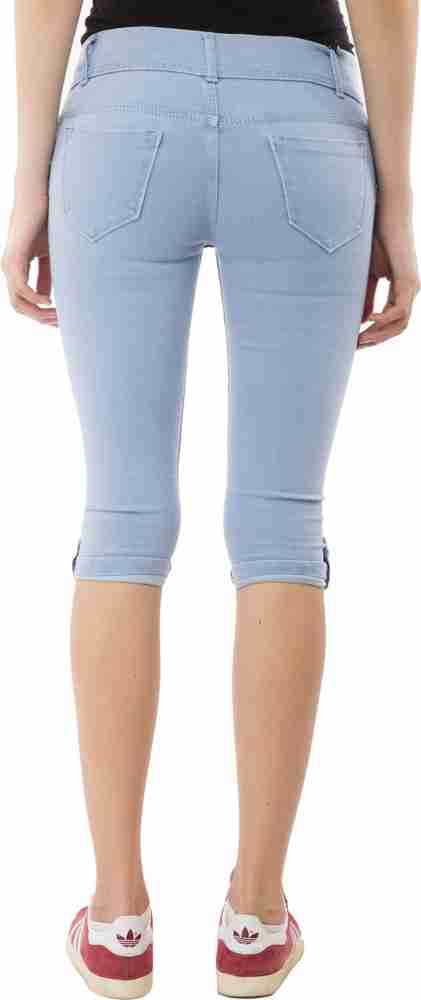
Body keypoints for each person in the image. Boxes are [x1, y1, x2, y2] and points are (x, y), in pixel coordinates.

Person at [2, 2, 419, 998]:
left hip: (124, 114)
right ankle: (255, 919)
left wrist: (28, 178)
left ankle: (117, 920)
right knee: (281, 529)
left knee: (122, 524)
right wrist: (395, 199)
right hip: (302, 121)